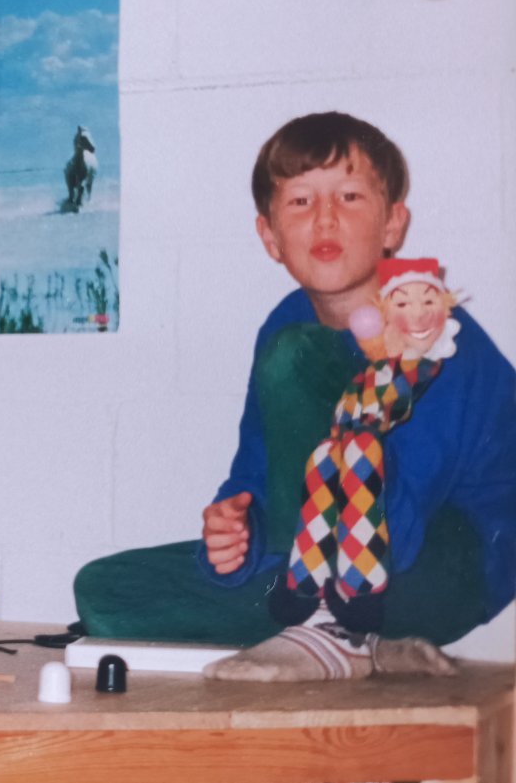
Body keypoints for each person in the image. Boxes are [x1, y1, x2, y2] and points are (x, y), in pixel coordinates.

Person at [74, 112, 516, 681]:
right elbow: (256, 475)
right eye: (301, 202)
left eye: (350, 197)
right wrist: (235, 531)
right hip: (323, 557)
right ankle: (367, 644)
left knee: (294, 357)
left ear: (392, 224)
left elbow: (402, 521)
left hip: (447, 556)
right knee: (106, 591)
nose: (325, 218)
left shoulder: (432, 331)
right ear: (270, 237)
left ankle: (335, 626)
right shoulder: (285, 324)